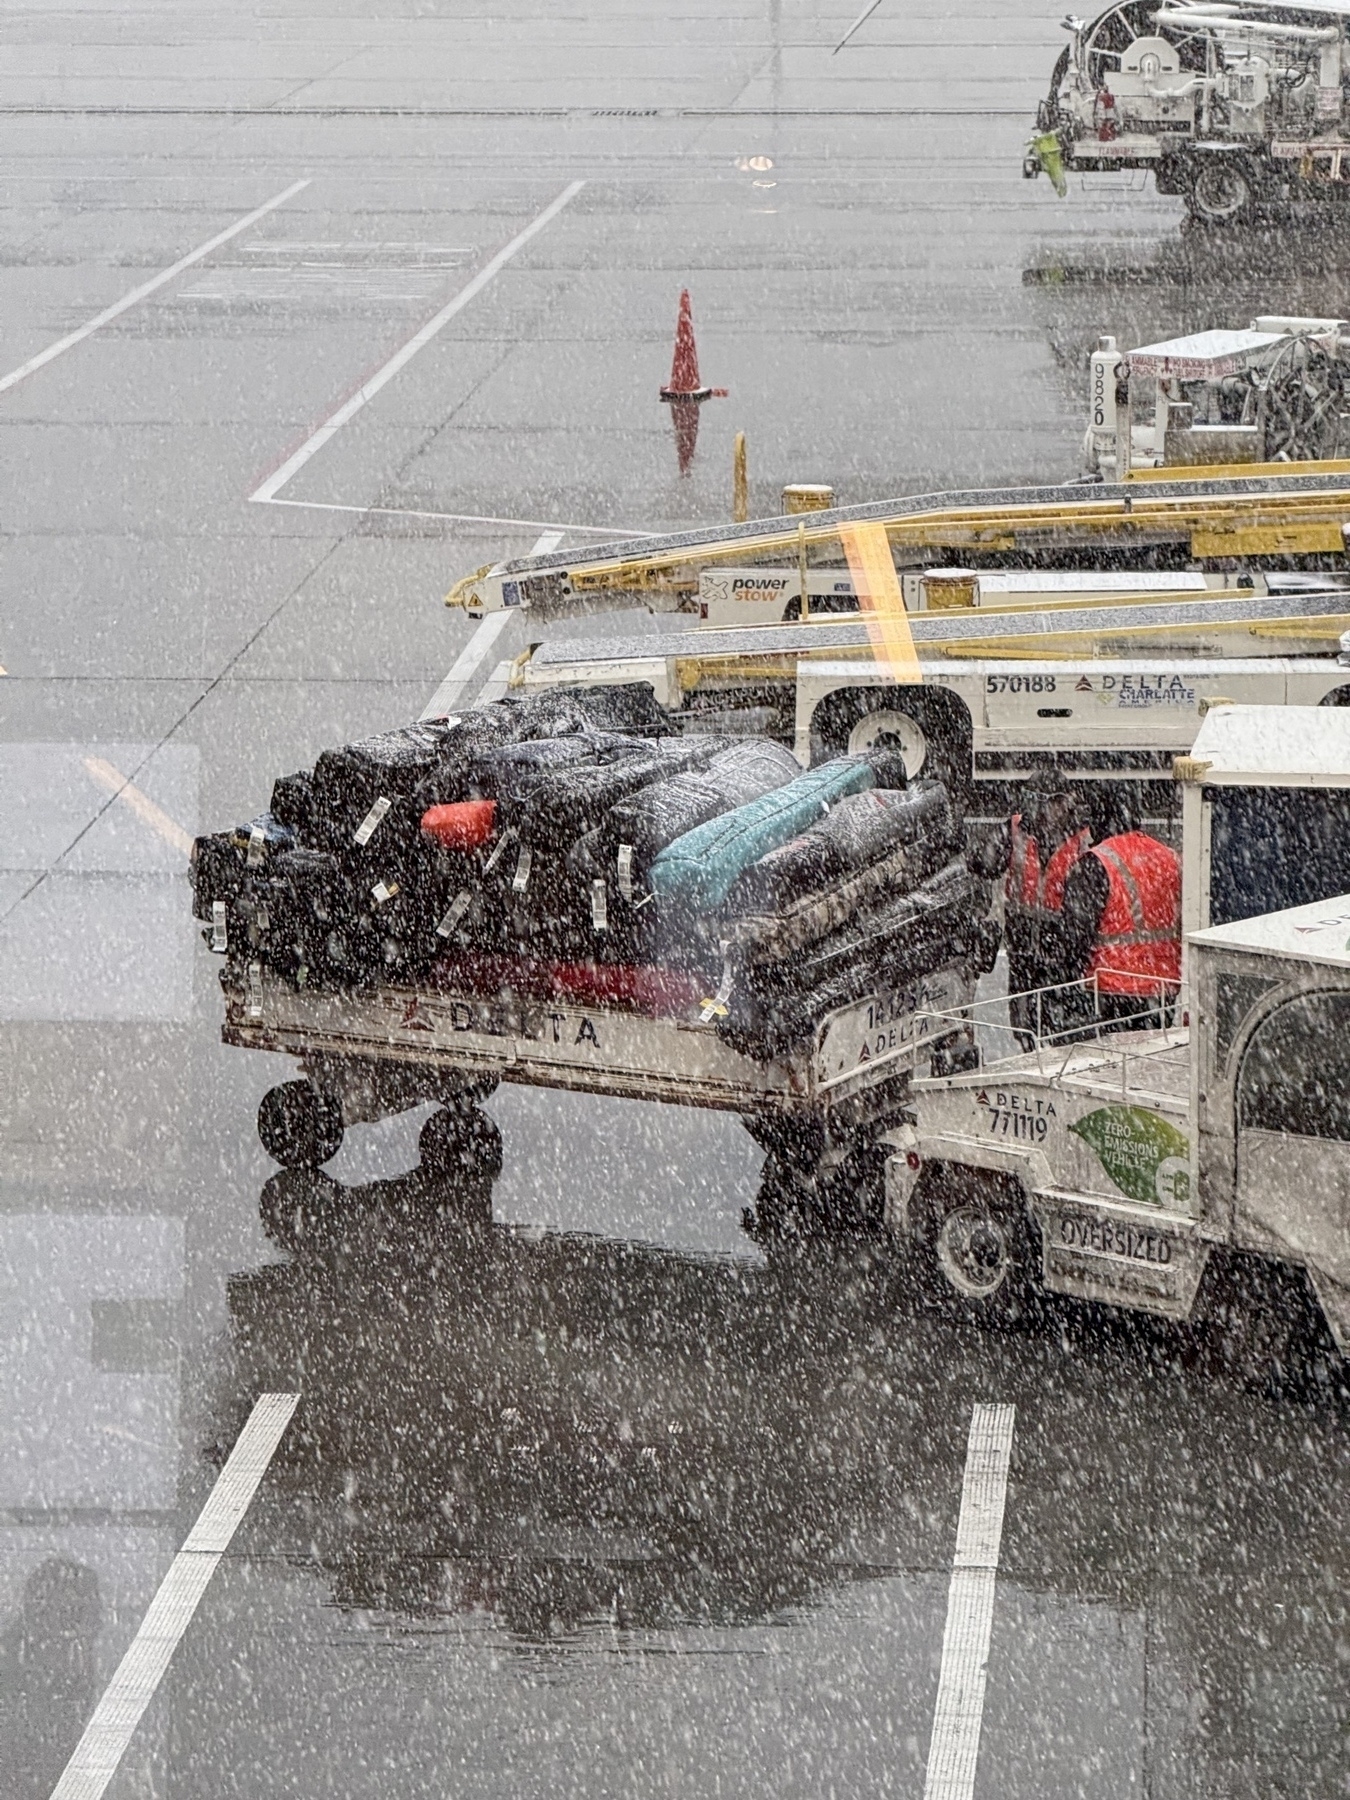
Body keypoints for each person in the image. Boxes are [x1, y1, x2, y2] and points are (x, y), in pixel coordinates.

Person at [971, 779, 1092, 1043]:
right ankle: (1028, 1045)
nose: (1053, 810)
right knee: (1024, 1012)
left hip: (1063, 941)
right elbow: (984, 864)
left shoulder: (1083, 836)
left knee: (1061, 1010)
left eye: (1058, 802)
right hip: (1023, 939)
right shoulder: (1015, 829)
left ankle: (1055, 1045)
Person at [1056, 801, 1181, 1032]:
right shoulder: (1169, 857)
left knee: (1113, 1061)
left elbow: (1074, 936)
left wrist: (1064, 985)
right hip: (1164, 985)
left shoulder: (1096, 862)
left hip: (1112, 986)